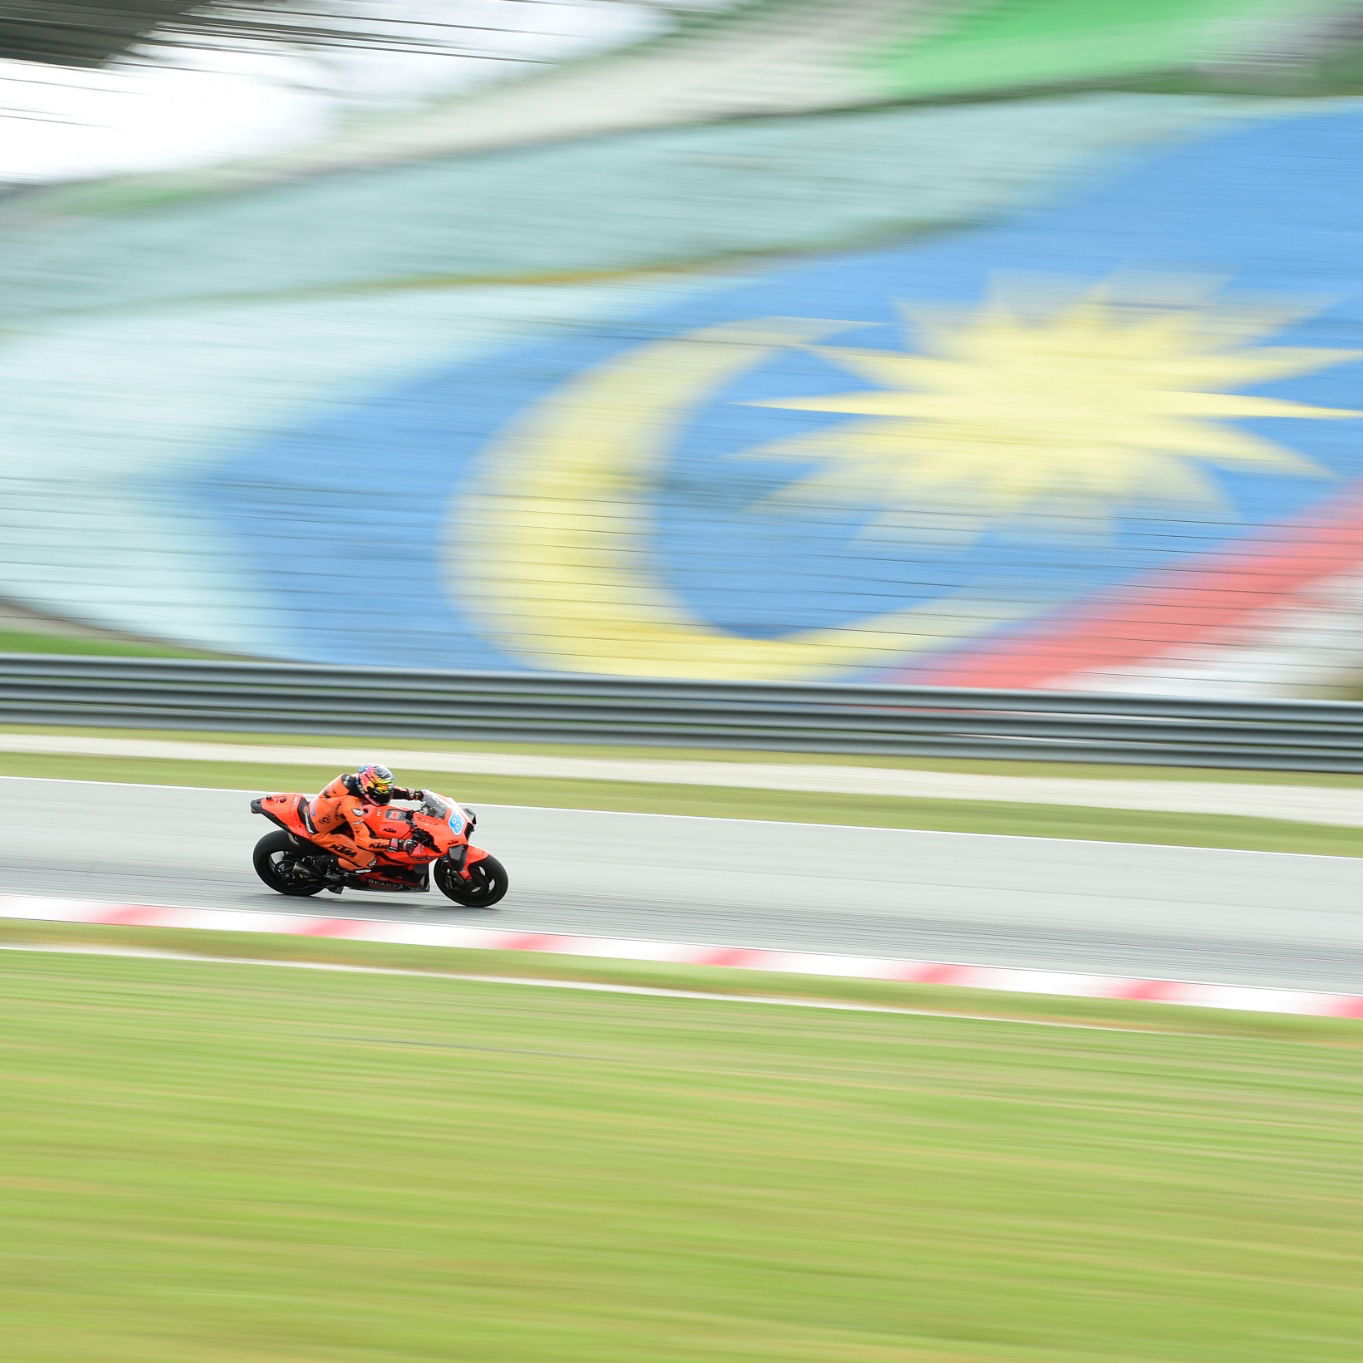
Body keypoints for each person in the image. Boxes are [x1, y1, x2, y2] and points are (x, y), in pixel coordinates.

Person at [307, 763, 424, 875]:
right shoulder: (351, 805)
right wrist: (400, 844)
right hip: (324, 833)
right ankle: (317, 863)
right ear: (369, 784)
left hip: (333, 817)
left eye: (387, 786)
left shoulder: (358, 781)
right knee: (368, 860)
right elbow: (364, 841)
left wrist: (415, 794)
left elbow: (385, 791)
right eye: (383, 787)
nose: (387, 790)